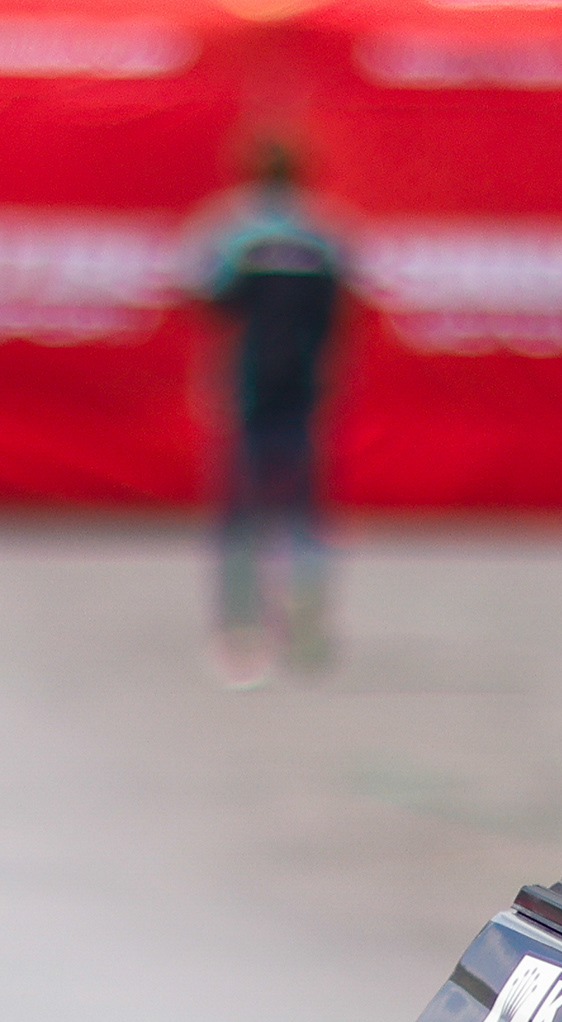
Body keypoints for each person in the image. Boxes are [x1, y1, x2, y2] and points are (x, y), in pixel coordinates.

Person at [199, 141, 349, 684]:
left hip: (248, 393)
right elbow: (340, 310)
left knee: (241, 518)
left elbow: (209, 298)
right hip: (304, 393)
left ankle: (241, 636)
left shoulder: (235, 231)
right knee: (303, 516)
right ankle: (307, 625)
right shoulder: (323, 232)